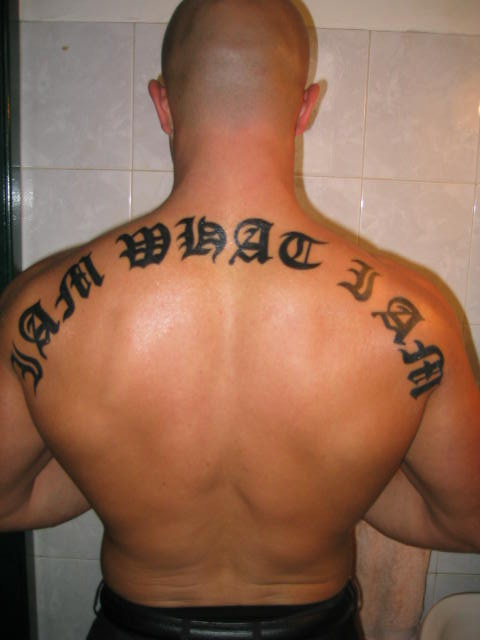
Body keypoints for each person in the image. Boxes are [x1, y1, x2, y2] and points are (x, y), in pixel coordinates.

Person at [0, 0, 479, 638]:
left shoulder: (38, 307)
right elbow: (465, 521)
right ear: (305, 108)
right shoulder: (418, 318)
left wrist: (114, 470)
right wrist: (346, 482)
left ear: (163, 104)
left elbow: (7, 500)